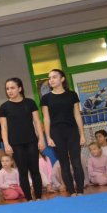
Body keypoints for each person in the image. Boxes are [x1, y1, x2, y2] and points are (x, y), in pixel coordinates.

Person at [41, 68, 86, 196]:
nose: (51, 80)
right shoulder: (46, 98)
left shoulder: (72, 95)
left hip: (72, 131)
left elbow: (77, 115)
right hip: (56, 133)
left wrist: (82, 134)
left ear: (62, 79)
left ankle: (81, 191)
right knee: (64, 163)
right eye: (49, 78)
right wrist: (48, 137)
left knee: (76, 162)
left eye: (54, 77)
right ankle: (72, 192)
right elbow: (46, 118)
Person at [0, 77, 45, 200]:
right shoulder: (4, 107)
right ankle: (29, 199)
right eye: (7, 89)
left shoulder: (30, 103)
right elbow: (3, 127)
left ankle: (39, 198)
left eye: (12, 88)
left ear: (19, 88)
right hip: (15, 143)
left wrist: (41, 139)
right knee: (23, 171)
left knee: (34, 170)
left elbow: (37, 121)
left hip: (31, 141)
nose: (9, 91)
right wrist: (7, 144)